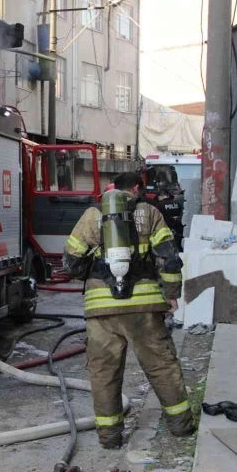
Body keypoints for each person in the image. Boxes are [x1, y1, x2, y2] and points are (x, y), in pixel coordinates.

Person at [62, 171, 194, 449]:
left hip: (101, 312)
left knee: (104, 374)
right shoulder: (150, 213)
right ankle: (181, 427)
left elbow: (71, 264)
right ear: (135, 190)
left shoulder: (91, 216)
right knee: (161, 366)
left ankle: (110, 439)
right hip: (144, 308)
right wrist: (171, 295)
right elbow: (169, 260)